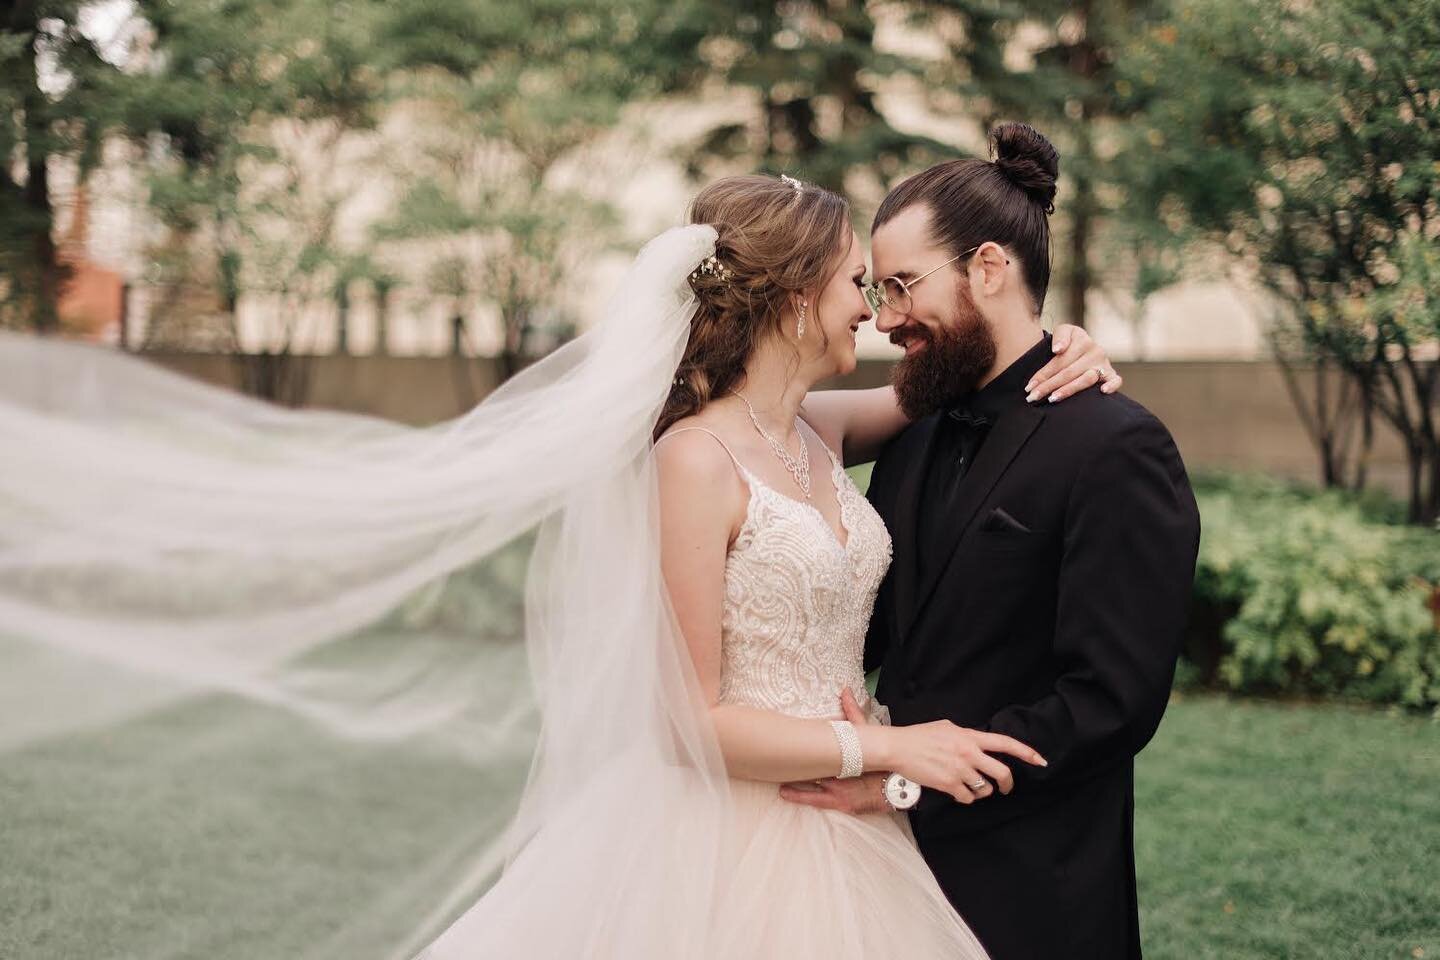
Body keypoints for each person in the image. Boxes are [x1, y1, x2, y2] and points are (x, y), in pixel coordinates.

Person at [0, 164, 1117, 957]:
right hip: (731, 835)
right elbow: (696, 719)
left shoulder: (817, 429)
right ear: (789, 303)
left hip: (848, 826)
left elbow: (960, 373)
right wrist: (886, 742)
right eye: (851, 284)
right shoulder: (694, 462)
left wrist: (1060, 344)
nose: (871, 310)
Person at [781, 122, 1202, 959]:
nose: (885, 318)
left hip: (1034, 886)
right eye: (877, 289)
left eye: (902, 287)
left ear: (988, 268)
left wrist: (905, 786)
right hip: (875, 878)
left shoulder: (1117, 446)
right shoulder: (915, 425)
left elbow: (1107, 704)